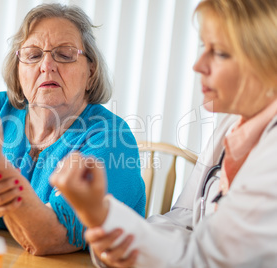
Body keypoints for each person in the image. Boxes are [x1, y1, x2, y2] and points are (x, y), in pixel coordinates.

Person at [51, 0, 277, 266]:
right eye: (205, 47)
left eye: (221, 53)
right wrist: (113, 237)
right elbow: (183, 219)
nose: (198, 65)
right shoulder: (231, 126)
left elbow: (208, 259)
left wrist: (100, 214)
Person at [0, 3, 145, 256]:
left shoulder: (111, 137)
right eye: (33, 55)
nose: (46, 65)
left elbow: (51, 237)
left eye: (65, 54)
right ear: (19, 70)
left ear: (90, 71)